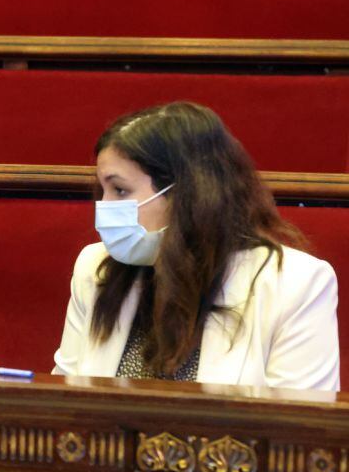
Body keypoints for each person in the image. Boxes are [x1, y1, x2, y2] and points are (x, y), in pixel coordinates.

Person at [52, 101, 339, 390]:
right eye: (102, 190)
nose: (104, 207)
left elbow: (297, 427)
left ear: (185, 194)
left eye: (120, 190)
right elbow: (65, 401)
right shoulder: (95, 268)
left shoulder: (296, 283)